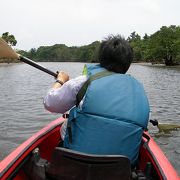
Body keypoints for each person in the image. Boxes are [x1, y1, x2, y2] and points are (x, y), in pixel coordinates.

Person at [44, 35, 150, 165]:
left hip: (76, 162)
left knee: (67, 124)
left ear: (101, 59)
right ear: (127, 64)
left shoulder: (83, 81)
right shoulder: (139, 91)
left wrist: (60, 80)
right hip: (119, 169)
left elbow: (50, 103)